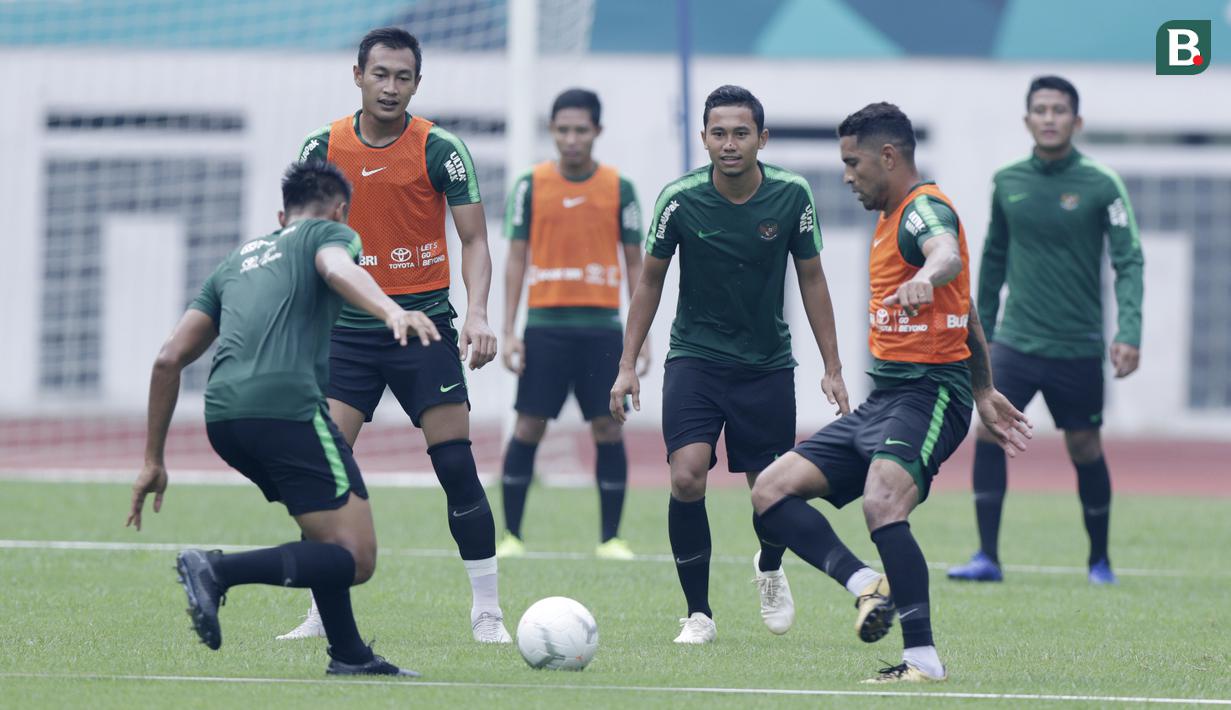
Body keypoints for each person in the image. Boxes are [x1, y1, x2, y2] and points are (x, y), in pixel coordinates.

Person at [749, 102, 1032, 683]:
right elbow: (967, 308)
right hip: (886, 399)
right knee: (770, 491)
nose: (846, 176)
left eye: (852, 163)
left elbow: (945, 254)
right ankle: (865, 584)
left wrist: (926, 277)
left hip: (931, 394)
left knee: (882, 502)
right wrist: (986, 388)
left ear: (887, 156)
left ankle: (923, 660)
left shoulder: (922, 209)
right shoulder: (888, 217)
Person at [127, 161, 432, 676]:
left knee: (324, 531)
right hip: (287, 408)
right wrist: (391, 310)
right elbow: (336, 268)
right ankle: (216, 570)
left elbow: (167, 359)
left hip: (224, 420)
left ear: (280, 217)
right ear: (339, 212)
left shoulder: (235, 261)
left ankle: (349, 655)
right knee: (356, 558)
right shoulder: (328, 234)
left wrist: (152, 460)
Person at [281, 26, 508, 643]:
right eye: (379, 74)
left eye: (402, 77)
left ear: (416, 83)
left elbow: (475, 239)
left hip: (424, 329)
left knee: (455, 465)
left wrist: (478, 313)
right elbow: (301, 240)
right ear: (358, 75)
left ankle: (487, 610)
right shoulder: (322, 146)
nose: (390, 87)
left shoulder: (440, 149)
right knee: (325, 469)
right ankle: (321, 612)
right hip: (346, 333)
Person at [609, 85, 850, 645]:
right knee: (687, 475)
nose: (729, 143)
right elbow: (649, 281)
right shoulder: (679, 199)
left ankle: (770, 565)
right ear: (703, 138)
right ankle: (699, 614)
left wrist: (833, 367)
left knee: (770, 490)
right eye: (718, 133)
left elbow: (813, 279)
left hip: (766, 365)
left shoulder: (792, 195)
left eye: (741, 133)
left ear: (762, 139)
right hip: (695, 358)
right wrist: (627, 365)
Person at [948, 76, 1144, 586]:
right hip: (1015, 341)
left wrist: (1129, 330)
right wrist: (979, 335)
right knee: (989, 429)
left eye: (1059, 110)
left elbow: (1129, 259)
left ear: (1076, 121)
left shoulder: (1103, 184)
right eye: (1041, 109)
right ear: (1027, 120)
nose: (1050, 118)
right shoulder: (1007, 182)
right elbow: (992, 259)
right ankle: (987, 557)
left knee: (1084, 446)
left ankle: (1099, 561)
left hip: (1078, 344)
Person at [496, 88, 648, 561]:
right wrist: (509, 330)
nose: (571, 139)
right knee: (528, 427)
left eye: (581, 129)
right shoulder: (530, 185)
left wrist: (638, 339)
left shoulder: (620, 188)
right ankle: (511, 536)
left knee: (609, 428)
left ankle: (611, 539)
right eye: (563, 130)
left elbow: (636, 265)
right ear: (552, 131)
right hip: (544, 327)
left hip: (602, 329)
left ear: (597, 131)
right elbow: (516, 258)